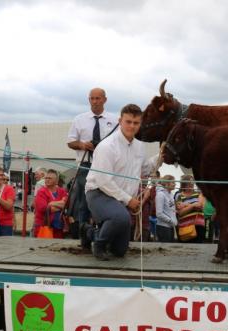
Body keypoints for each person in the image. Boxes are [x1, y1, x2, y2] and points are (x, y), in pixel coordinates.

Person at [82, 104, 155, 260]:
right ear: (120, 121)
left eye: (136, 123)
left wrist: (161, 157)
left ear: (140, 123)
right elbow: (103, 181)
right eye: (128, 122)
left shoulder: (140, 146)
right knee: (121, 218)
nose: (132, 126)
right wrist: (129, 200)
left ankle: (89, 232)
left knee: (119, 251)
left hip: (120, 200)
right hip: (98, 193)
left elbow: (145, 169)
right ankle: (99, 245)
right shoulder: (107, 146)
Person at [67, 88, 119, 226]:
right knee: (84, 200)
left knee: (107, 197)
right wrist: (83, 145)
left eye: (98, 98)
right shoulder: (79, 119)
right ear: (89, 100)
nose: (95, 101)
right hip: (85, 165)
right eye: (92, 98)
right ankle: (83, 232)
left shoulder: (115, 120)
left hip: (107, 166)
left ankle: (104, 230)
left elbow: (119, 143)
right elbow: (70, 142)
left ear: (105, 100)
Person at [33, 169, 68, 238]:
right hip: (44, 226)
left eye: (50, 178)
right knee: (43, 247)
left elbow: (66, 204)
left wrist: (51, 203)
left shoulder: (62, 191)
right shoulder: (41, 192)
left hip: (59, 228)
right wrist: (60, 206)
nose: (47, 180)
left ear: (56, 181)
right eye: (46, 178)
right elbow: (43, 208)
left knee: (58, 247)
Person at [175, 175, 205, 243]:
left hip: (198, 226)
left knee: (198, 248)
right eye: (188, 184)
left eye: (192, 183)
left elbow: (200, 206)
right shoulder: (179, 195)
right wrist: (193, 205)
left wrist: (186, 205)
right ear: (184, 185)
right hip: (185, 227)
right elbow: (180, 212)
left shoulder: (199, 194)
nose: (191, 186)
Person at [155, 175, 177, 242]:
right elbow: (159, 213)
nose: (175, 184)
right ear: (167, 184)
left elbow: (170, 210)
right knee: (164, 250)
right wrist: (170, 221)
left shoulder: (171, 195)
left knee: (170, 250)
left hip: (170, 227)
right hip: (163, 227)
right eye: (173, 182)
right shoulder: (160, 195)